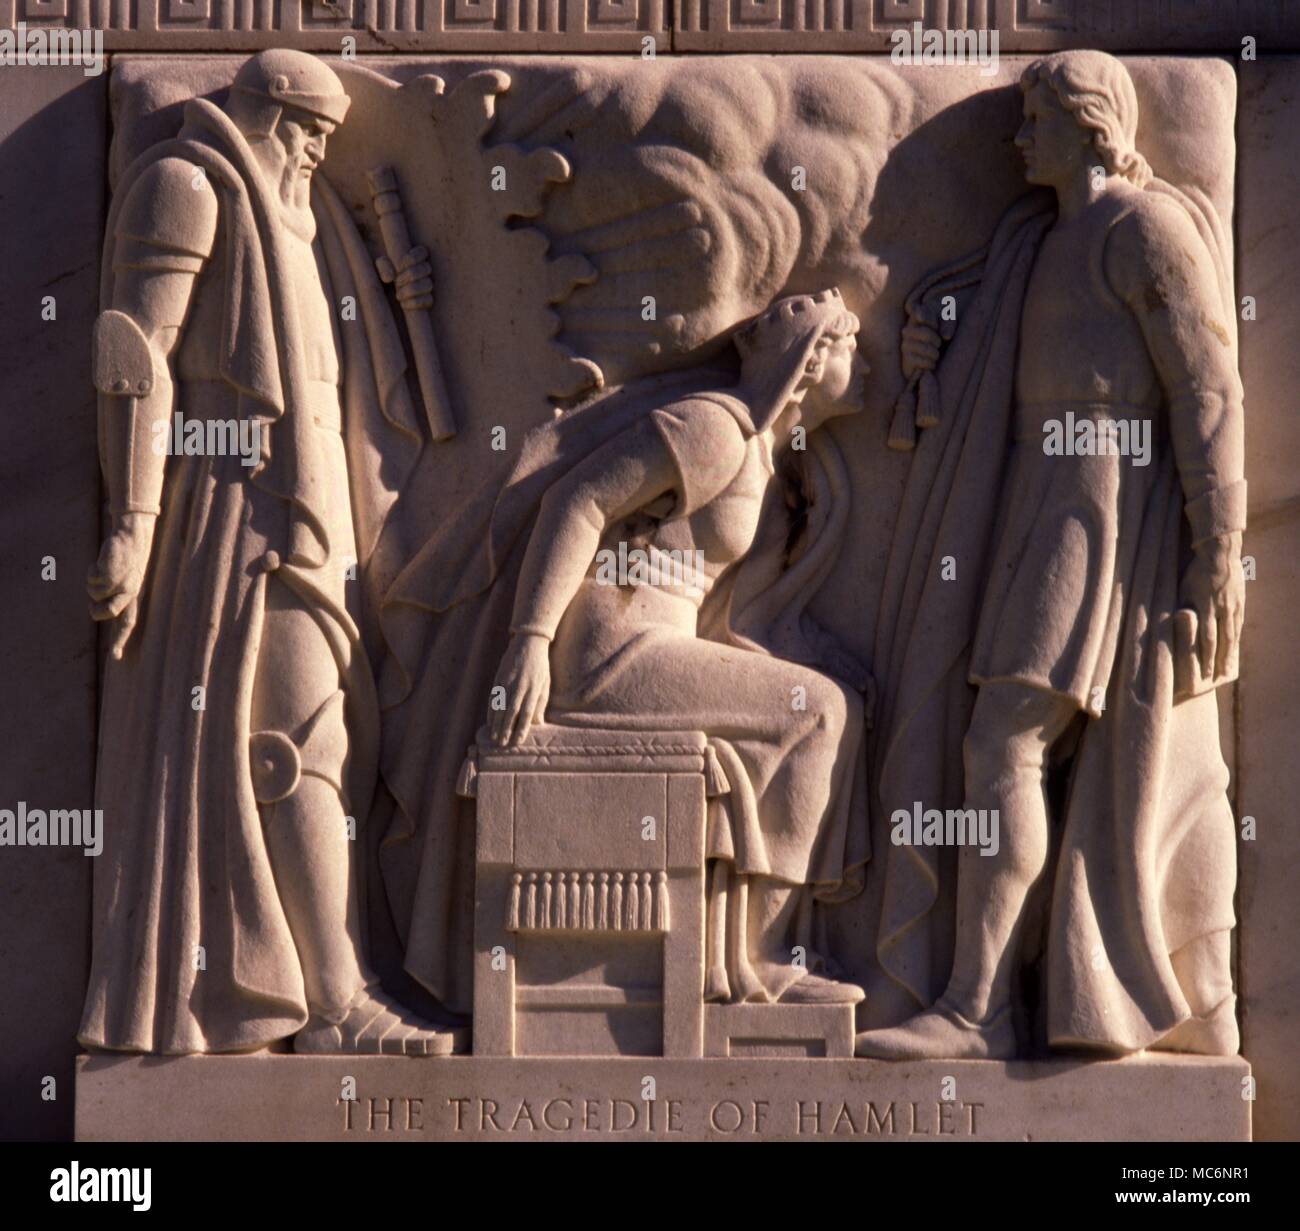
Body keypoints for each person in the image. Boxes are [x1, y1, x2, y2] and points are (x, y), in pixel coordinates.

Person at [859, 51, 1244, 1059]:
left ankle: (976, 1004)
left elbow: (1207, 393)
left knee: (1003, 742)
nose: (1018, 138)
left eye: (1035, 118)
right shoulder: (1038, 237)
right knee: (998, 742)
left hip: (1103, 504)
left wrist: (1219, 551)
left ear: (1090, 123)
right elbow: (967, 311)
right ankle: (994, 998)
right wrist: (927, 345)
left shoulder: (1145, 231)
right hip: (1036, 493)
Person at [81, 50, 459, 1056]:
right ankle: (332, 1000)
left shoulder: (300, 215)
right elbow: (132, 355)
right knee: (291, 744)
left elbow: (352, 368)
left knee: (326, 738)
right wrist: (134, 522)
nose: (317, 154)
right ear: (266, 112)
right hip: (228, 505)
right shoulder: (187, 185)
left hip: (311, 514)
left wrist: (395, 296)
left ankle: (313, 983)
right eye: (308, 132)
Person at [380, 289, 873, 1009]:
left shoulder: (767, 459)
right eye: (853, 349)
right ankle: (761, 958)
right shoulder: (716, 429)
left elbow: (744, 619)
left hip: (661, 645)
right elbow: (576, 501)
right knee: (820, 713)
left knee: (835, 700)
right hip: (610, 652)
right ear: (811, 358)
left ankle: (759, 948)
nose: (867, 367)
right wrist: (530, 643)